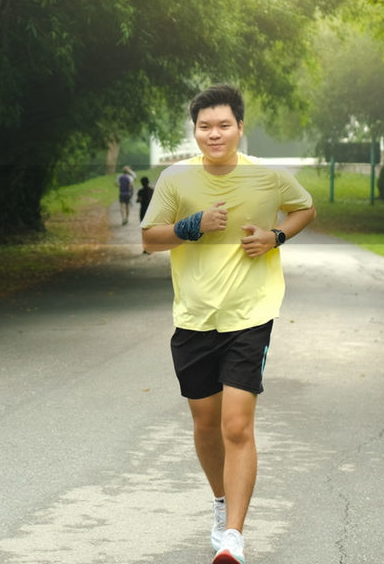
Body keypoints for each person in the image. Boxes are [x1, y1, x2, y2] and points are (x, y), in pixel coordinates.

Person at [140, 85, 316, 564]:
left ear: (240, 127)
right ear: (194, 130)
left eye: (223, 125)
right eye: (204, 126)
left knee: (237, 425)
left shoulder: (268, 177)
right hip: (195, 317)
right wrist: (192, 226)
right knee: (206, 425)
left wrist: (275, 236)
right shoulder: (176, 180)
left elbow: (305, 209)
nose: (214, 134)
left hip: (250, 314)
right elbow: (151, 240)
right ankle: (221, 504)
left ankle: (233, 537)